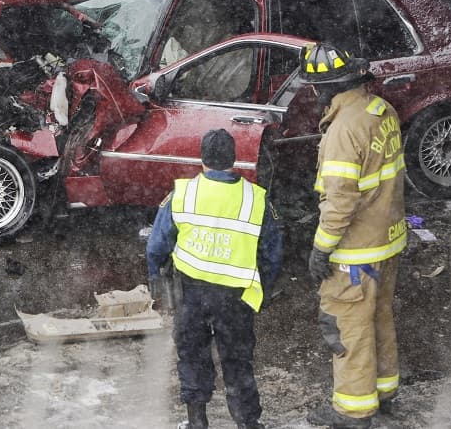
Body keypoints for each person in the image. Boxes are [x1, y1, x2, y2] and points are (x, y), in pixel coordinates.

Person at [298, 43, 407, 429]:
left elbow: (341, 201)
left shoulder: (344, 129)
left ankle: (353, 410)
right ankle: (384, 394)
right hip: (388, 239)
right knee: (378, 319)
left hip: (357, 252)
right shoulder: (381, 111)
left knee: (347, 326)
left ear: (322, 88)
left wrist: (320, 249)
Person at [147, 128, 283, 429]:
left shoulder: (183, 194)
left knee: (192, 355)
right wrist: (264, 290)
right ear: (234, 159)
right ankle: (247, 423)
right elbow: (272, 255)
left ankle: (197, 422)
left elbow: (157, 245)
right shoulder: (255, 199)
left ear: (202, 159)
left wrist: (155, 279)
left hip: (190, 294)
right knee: (237, 360)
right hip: (235, 298)